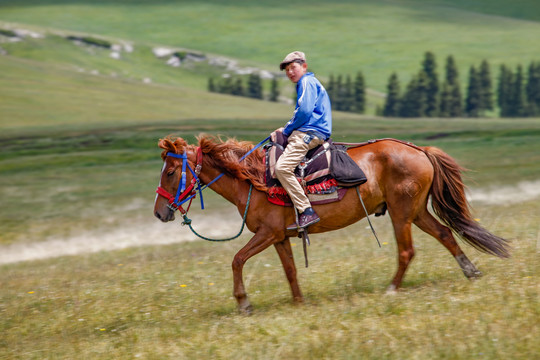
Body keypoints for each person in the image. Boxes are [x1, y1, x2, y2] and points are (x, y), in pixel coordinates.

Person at [274, 51, 332, 230]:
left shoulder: (306, 81)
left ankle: (306, 211)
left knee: (282, 168)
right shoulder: (308, 83)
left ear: (304, 67)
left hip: (310, 132)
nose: (290, 72)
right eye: (287, 70)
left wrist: (288, 129)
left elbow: (305, 112)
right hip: (312, 130)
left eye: (293, 67)